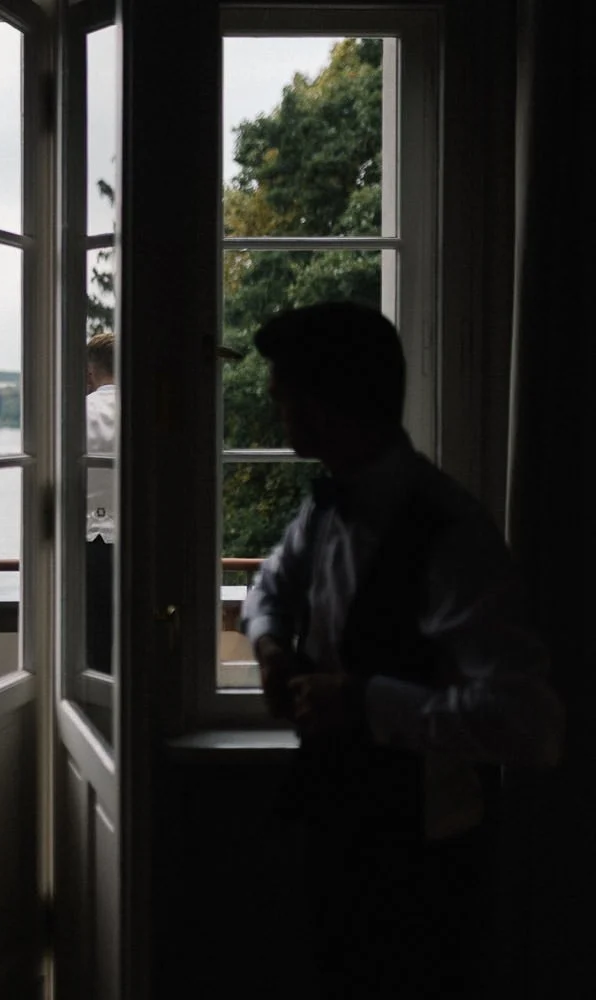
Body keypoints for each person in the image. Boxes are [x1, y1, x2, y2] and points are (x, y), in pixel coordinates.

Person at [239, 301, 564, 999]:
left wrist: (364, 703)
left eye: (283, 392)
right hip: (333, 839)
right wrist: (268, 647)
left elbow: (529, 723)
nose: (273, 405)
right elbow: (269, 583)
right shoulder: (326, 504)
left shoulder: (453, 534)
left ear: (326, 403)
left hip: (425, 862)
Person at [84, 333, 117, 674]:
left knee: (94, 643)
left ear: (90, 372)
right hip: (137, 540)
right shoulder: (144, 411)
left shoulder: (76, 412)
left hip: (88, 541)